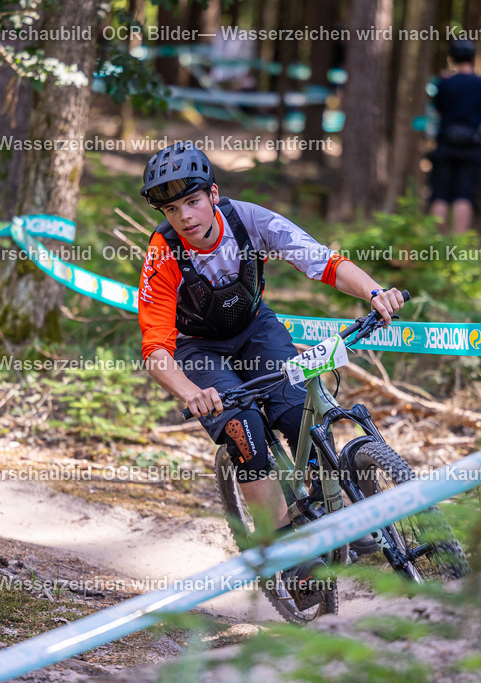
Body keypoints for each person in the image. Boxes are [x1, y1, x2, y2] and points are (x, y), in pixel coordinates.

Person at [137, 141, 403, 598]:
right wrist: (189, 392)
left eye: (193, 201)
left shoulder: (251, 221)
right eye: (172, 209)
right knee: (245, 431)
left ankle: (336, 507)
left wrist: (374, 291)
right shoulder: (163, 255)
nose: (184, 217)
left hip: (255, 327)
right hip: (197, 349)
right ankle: (288, 556)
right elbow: (156, 351)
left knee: (299, 411)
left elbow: (322, 261)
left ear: (214, 195)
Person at [427, 39, 481, 234]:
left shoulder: (444, 83)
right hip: (471, 147)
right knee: (464, 196)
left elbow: (437, 112)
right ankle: (458, 249)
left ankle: (439, 244)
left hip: (445, 144)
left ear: (453, 58)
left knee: (439, 195)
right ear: (473, 58)